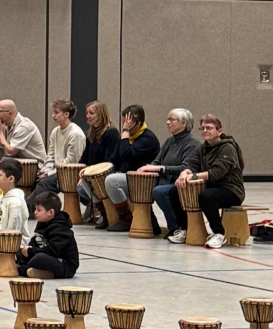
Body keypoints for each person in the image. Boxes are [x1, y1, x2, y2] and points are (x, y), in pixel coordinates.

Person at [167, 114, 245, 249]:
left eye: (209, 128)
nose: (205, 131)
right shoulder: (202, 148)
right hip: (211, 187)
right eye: (202, 128)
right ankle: (185, 229)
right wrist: (184, 173)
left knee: (206, 196)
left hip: (231, 190)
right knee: (175, 191)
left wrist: (192, 177)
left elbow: (216, 173)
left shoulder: (227, 148)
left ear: (219, 131)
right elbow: (192, 165)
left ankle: (219, 234)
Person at [137, 108, 200, 237]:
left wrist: (161, 168)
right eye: (168, 119)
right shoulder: (169, 142)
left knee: (159, 191)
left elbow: (186, 168)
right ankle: (152, 225)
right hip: (165, 181)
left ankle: (175, 227)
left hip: (181, 184)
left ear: (183, 124)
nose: (167, 122)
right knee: (136, 186)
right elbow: (157, 161)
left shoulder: (192, 144)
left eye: (172, 119)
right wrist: (145, 169)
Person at [100, 104, 160, 232]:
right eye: (123, 124)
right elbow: (115, 157)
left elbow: (126, 154)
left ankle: (125, 218)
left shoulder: (147, 138)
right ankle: (106, 215)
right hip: (127, 176)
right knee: (97, 178)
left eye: (127, 124)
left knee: (112, 181)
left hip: (143, 180)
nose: (124, 127)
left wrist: (125, 132)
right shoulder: (126, 138)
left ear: (137, 123)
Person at [27, 99, 86, 210]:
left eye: (56, 112)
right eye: (53, 112)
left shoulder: (75, 134)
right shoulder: (55, 131)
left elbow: (71, 162)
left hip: (71, 172)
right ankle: (41, 211)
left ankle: (25, 209)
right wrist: (45, 170)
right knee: (34, 179)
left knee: (44, 184)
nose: (53, 115)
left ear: (66, 114)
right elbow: (51, 156)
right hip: (57, 171)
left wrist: (49, 174)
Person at [76, 101, 122, 226]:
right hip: (93, 173)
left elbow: (110, 160)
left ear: (101, 114)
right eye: (87, 113)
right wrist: (79, 170)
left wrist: (90, 171)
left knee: (82, 188)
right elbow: (85, 157)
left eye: (92, 113)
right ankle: (100, 210)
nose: (88, 116)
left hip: (105, 173)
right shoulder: (91, 133)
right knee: (79, 186)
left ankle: (104, 212)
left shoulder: (111, 133)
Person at [18, 192, 79, 279]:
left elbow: (52, 251)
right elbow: (36, 241)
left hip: (65, 266)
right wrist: (25, 251)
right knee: (18, 253)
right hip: (49, 258)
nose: (35, 212)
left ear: (50, 212)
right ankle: (44, 273)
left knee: (39, 258)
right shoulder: (42, 223)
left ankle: (21, 270)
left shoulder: (60, 228)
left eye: (39, 210)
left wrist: (31, 251)